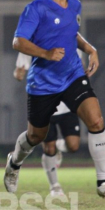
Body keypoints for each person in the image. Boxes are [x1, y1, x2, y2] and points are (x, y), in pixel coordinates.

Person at [4, 0, 105, 202]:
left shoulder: (76, 5)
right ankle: (14, 163)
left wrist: (90, 49)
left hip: (72, 75)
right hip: (43, 83)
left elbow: (72, 32)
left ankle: (103, 182)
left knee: (96, 120)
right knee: (35, 136)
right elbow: (18, 41)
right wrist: (45, 53)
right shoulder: (35, 8)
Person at [14, 51, 81, 197]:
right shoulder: (31, 43)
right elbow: (20, 69)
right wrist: (20, 73)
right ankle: (54, 186)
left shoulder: (73, 43)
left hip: (67, 105)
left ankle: (58, 147)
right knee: (48, 148)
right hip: (44, 103)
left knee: (73, 145)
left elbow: (80, 71)